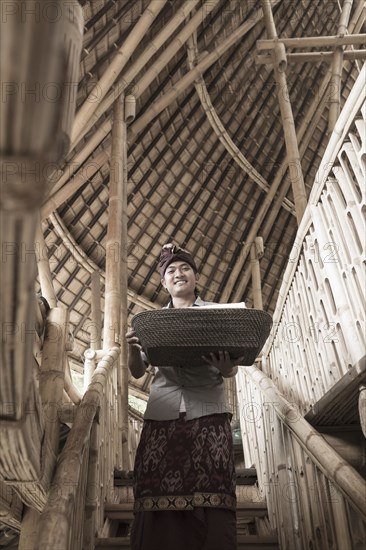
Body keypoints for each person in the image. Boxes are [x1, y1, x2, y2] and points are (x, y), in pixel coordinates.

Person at [126, 243, 243, 550]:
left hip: (209, 408)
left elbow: (231, 369)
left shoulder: (219, 315)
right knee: (153, 477)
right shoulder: (152, 322)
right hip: (162, 410)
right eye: (171, 271)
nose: (178, 274)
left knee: (214, 478)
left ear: (194, 276)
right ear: (164, 282)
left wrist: (227, 367)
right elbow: (138, 372)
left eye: (185, 268)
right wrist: (132, 350)